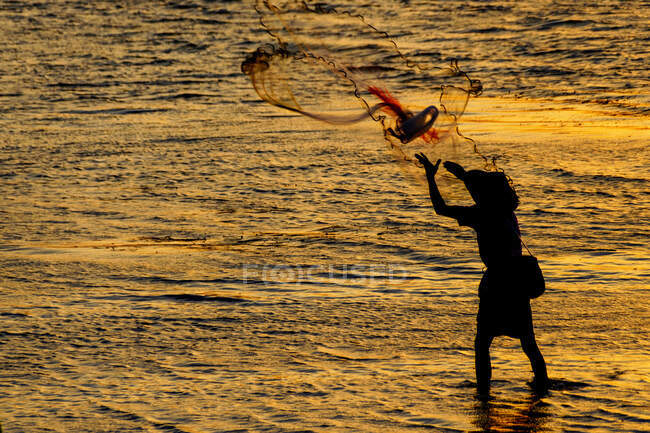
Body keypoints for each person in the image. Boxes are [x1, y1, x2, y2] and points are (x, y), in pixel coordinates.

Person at [415, 153, 549, 396]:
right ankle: (542, 389)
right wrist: (463, 175)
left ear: (484, 195)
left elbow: (440, 208)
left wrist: (430, 177)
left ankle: (483, 393)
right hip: (517, 283)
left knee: (482, 343)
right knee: (529, 344)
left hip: (497, 283)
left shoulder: (482, 215)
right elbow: (484, 189)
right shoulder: (506, 212)